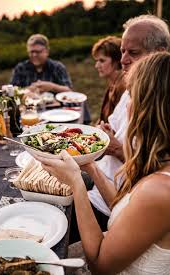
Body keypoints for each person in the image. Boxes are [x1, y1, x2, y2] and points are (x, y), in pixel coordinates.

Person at [35, 51, 170, 274]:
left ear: (148, 107)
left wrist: (76, 183)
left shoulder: (159, 191)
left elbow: (99, 265)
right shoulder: (158, 162)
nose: (127, 106)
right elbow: (123, 208)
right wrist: (90, 165)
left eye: (132, 96)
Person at [87, 14, 170, 219]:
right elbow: (111, 126)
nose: (123, 60)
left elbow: (157, 172)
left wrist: (116, 149)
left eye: (133, 52)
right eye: (122, 51)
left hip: (116, 201)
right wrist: (104, 133)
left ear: (159, 53)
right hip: (100, 175)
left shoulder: (163, 107)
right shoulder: (130, 89)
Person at [92, 36, 125, 124]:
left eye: (102, 61)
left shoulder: (122, 87)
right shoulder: (113, 82)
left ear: (117, 61)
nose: (97, 65)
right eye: (97, 61)